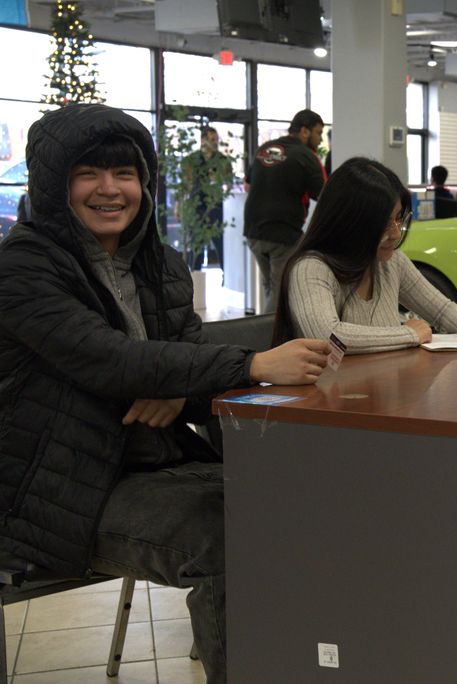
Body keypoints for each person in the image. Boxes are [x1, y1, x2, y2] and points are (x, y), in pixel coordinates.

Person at [0, 103, 331, 684]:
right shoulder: (23, 267)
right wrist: (252, 363)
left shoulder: (161, 264)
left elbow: (182, 376)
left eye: (124, 173)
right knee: (226, 540)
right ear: (53, 185)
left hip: (156, 461)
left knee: (307, 503)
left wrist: (176, 391)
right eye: (88, 173)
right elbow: (109, 360)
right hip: (57, 488)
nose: (110, 189)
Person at [273, 156, 457, 352]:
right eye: (385, 223)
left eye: (399, 219)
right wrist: (408, 333)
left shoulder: (389, 262)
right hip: (332, 395)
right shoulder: (311, 268)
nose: (396, 233)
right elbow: (328, 336)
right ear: (351, 222)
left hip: (383, 388)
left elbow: (441, 310)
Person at [244, 109, 327, 311]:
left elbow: (247, 185)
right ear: (305, 131)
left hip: (253, 231)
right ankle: (269, 331)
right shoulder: (307, 156)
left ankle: (268, 326)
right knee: (281, 292)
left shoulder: (265, 148)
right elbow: (325, 196)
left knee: (271, 287)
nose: (320, 139)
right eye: (318, 133)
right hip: (282, 233)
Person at [181, 125, 232, 270]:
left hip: (216, 206)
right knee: (196, 247)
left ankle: (226, 276)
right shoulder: (191, 160)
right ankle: (194, 276)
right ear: (203, 140)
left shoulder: (223, 160)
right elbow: (185, 184)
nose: (215, 143)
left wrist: (220, 179)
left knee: (221, 245)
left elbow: (229, 185)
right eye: (212, 139)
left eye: (216, 139)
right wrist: (180, 206)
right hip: (197, 207)